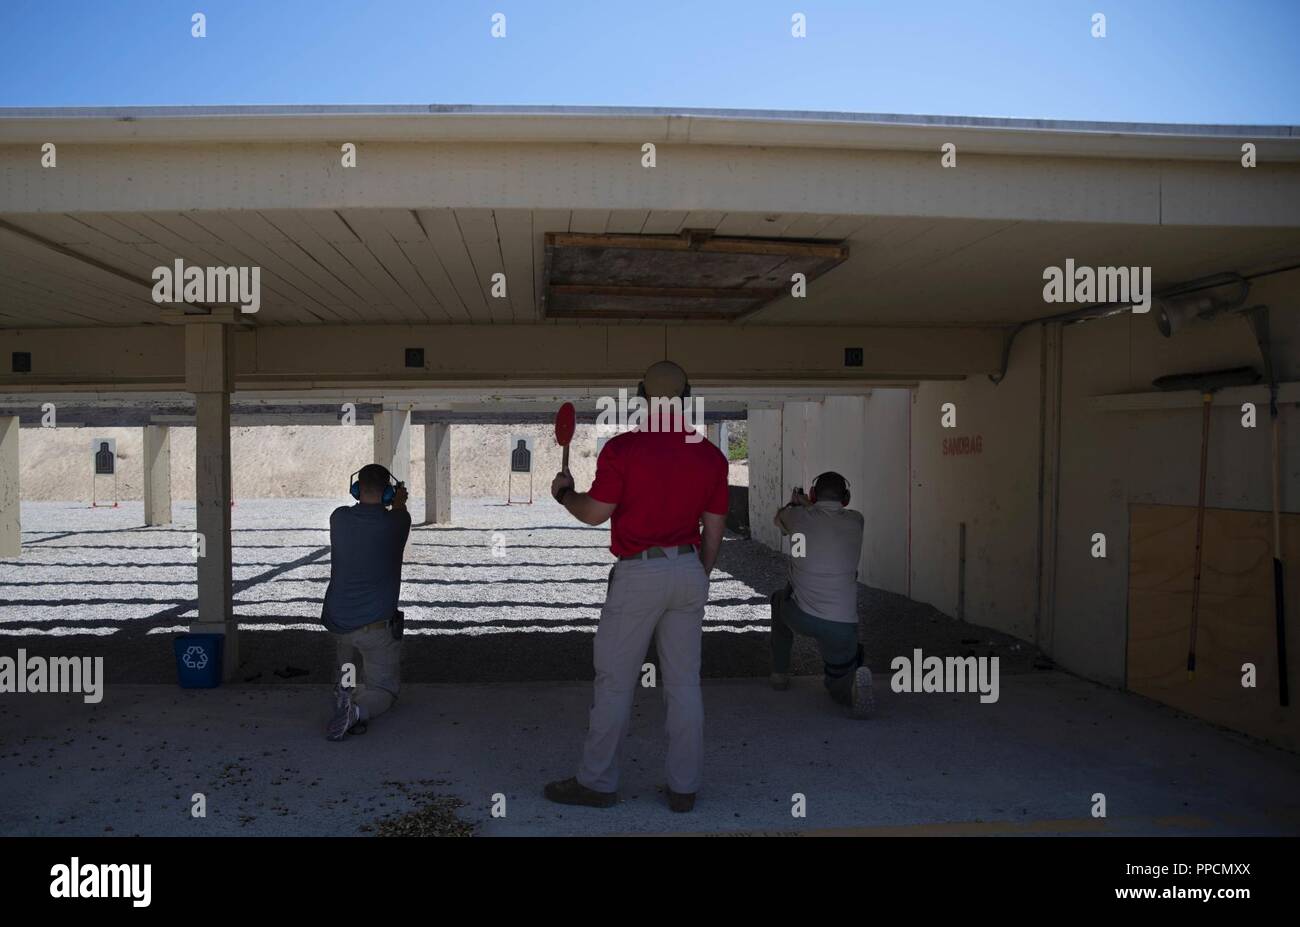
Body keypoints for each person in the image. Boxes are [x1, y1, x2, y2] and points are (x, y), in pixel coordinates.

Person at [545, 361, 728, 812]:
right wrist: (699, 572)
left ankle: (597, 782)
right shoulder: (710, 455)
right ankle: (684, 788)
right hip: (688, 569)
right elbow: (715, 529)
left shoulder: (623, 450)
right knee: (684, 684)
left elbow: (595, 513)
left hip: (639, 572)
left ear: (641, 396)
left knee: (615, 682)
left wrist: (564, 494)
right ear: (687, 397)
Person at [770, 471, 873, 717]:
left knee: (777, 600)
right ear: (846, 498)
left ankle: (779, 674)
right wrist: (809, 504)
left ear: (814, 495)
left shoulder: (797, 517)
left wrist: (797, 503)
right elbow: (825, 517)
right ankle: (849, 690)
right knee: (837, 681)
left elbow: (779, 520)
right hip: (843, 624)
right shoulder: (856, 520)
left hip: (801, 616)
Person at [321, 463, 410, 741]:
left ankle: (344, 694)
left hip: (339, 623)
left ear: (356, 489)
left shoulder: (339, 518)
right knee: (383, 690)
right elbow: (399, 514)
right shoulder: (396, 522)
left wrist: (392, 500)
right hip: (375, 629)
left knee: (347, 675)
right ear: (387, 493)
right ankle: (357, 712)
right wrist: (399, 501)